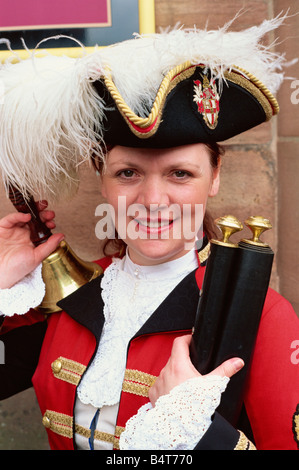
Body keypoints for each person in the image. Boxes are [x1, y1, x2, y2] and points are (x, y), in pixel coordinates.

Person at [0, 14, 298, 451]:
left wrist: (197, 431)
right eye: (128, 173)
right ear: (102, 179)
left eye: (180, 173)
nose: (153, 199)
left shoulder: (262, 316)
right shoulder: (69, 296)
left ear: (214, 177)